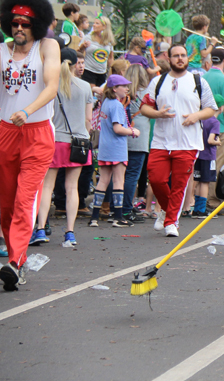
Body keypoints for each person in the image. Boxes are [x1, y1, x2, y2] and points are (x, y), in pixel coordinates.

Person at [0, 0, 60, 291]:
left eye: (25, 24)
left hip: (36, 132)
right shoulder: (1, 51)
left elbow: (52, 86)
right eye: (14, 24)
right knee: (5, 205)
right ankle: (16, 263)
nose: (19, 29)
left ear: (35, 25)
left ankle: (14, 262)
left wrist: (27, 110)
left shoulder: (47, 46)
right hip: (6, 132)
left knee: (25, 200)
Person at [140, 44, 218, 237]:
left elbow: (211, 108)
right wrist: (157, 113)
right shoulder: (158, 81)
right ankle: (168, 212)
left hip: (188, 143)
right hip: (161, 141)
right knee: (156, 179)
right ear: (169, 58)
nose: (180, 59)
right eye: (176, 56)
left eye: (183, 55)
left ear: (187, 58)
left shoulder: (198, 81)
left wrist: (196, 116)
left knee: (179, 184)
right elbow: (144, 107)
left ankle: (171, 222)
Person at [33, 48, 91, 247]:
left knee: (47, 187)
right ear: (76, 64)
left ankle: (40, 228)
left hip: (54, 140)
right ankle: (70, 233)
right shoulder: (85, 87)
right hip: (79, 141)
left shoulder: (50, 86)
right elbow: (88, 119)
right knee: (72, 187)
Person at [90, 74, 141, 228]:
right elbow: (117, 128)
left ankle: (94, 217)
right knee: (119, 180)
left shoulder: (105, 103)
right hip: (117, 147)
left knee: (103, 181)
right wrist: (133, 131)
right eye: (123, 86)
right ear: (114, 88)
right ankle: (118, 217)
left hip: (105, 146)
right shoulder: (117, 105)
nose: (127, 88)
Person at [123, 64, 151, 222]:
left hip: (123, 134)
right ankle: (127, 208)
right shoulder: (147, 93)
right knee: (133, 174)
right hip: (139, 136)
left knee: (121, 174)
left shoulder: (123, 92)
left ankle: (119, 205)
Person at [190, 94, 224, 219]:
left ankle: (196, 208)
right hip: (208, 155)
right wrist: (218, 141)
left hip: (198, 153)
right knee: (205, 182)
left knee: (198, 181)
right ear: (220, 108)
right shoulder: (215, 122)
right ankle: (201, 209)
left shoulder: (202, 119)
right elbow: (211, 140)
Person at [203, 47, 224, 174]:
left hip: (203, 126)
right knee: (217, 165)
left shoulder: (203, 77)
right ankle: (211, 194)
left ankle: (200, 193)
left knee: (203, 163)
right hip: (220, 129)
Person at [79, 16, 114, 93]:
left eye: (97, 23)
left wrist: (111, 72)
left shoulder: (109, 41)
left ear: (104, 26)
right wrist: (82, 47)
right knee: (94, 92)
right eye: (94, 23)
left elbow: (111, 58)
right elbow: (78, 52)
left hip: (102, 72)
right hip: (89, 70)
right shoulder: (88, 37)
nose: (94, 25)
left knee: (99, 97)